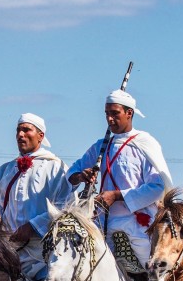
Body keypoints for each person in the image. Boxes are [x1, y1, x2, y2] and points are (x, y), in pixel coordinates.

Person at [67, 90, 172, 267]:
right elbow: (72, 174)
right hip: (103, 223)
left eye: (114, 113)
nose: (109, 119)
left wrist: (116, 195)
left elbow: (157, 186)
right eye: (107, 114)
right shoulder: (101, 145)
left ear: (129, 113)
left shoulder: (144, 143)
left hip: (139, 226)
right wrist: (81, 175)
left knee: (156, 277)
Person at [0, 113, 74, 281]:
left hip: (42, 254)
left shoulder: (56, 168)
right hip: (7, 251)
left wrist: (32, 226)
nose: (20, 135)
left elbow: (65, 206)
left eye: (26, 130)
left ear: (40, 136)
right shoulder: (5, 170)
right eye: (18, 130)